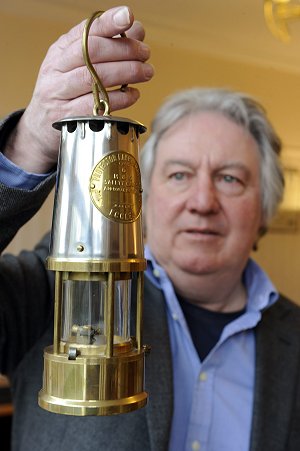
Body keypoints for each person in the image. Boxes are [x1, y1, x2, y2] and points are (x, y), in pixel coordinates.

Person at [0, 5, 299, 451]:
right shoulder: (50, 292)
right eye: (179, 175)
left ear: (264, 207)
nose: (202, 202)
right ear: (143, 198)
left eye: (229, 178)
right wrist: (26, 148)